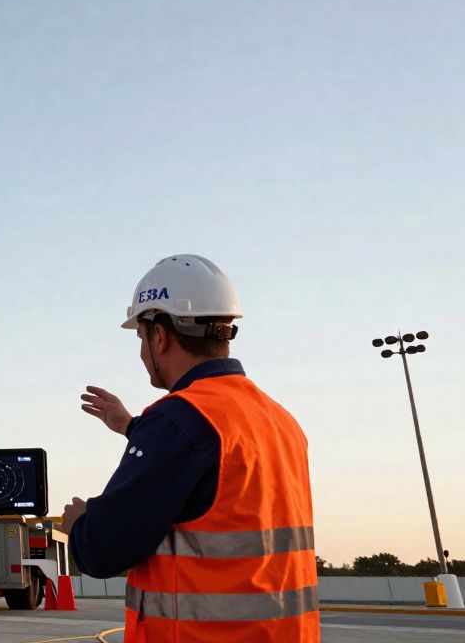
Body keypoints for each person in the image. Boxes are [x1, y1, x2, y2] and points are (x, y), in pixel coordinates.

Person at [61, 255, 318, 642]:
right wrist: (132, 427)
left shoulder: (176, 420)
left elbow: (102, 551)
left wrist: (79, 524)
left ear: (159, 336)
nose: (143, 352)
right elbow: (212, 481)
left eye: (140, 337)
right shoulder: (279, 420)